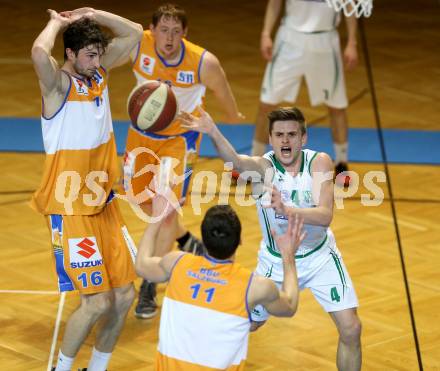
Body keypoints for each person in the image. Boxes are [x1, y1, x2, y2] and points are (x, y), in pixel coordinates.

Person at [180, 106, 362, 371]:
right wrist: (212, 131)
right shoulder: (264, 168)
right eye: (279, 135)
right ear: (271, 138)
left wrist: (286, 210)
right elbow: (236, 161)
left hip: (320, 256)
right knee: (247, 324)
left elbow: (324, 216)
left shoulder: (319, 162)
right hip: (276, 261)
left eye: (291, 134)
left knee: (351, 329)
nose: (285, 140)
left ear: (304, 138)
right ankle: (194, 355)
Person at [30, 8, 143, 371]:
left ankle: (96, 368)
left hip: (104, 203)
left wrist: (95, 13)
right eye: (90, 54)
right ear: (71, 54)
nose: (97, 60)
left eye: (98, 53)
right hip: (71, 209)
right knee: (97, 301)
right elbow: (37, 53)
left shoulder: (97, 73)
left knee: (125, 296)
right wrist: (57, 24)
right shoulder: (57, 87)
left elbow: (135, 33)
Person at [122, 3, 244, 319]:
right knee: (145, 205)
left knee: (163, 214)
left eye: (177, 31)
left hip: (180, 142)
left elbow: (222, 86)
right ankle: (187, 240)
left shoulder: (203, 62)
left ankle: (150, 284)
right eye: (164, 29)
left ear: (185, 33)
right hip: (140, 136)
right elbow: (105, 57)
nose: (170, 37)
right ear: (151, 30)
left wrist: (232, 114)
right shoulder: (138, 46)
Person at [135, 192, 304, 370]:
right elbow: (290, 305)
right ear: (240, 241)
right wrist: (288, 255)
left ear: (204, 240)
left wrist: (156, 217)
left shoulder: (175, 263)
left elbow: (141, 264)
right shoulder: (256, 287)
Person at [251, 0, 358, 187]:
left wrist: (352, 42)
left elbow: (349, 6)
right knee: (266, 103)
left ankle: (341, 163)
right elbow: (275, 3)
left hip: (325, 42)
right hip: (290, 39)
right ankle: (254, 161)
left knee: (337, 105)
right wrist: (265, 33)